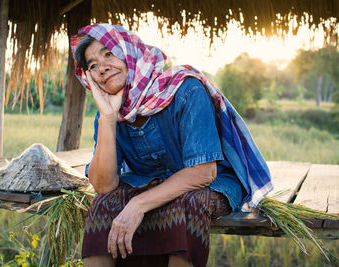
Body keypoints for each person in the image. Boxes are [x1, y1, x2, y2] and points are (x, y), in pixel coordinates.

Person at [70, 24, 273, 267]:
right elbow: (104, 185)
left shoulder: (185, 89)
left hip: (209, 183)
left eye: (109, 53)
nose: (101, 67)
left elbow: (203, 173)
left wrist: (138, 204)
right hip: (150, 182)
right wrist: (108, 117)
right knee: (102, 204)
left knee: (187, 204)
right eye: (92, 65)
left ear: (130, 53)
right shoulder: (112, 113)